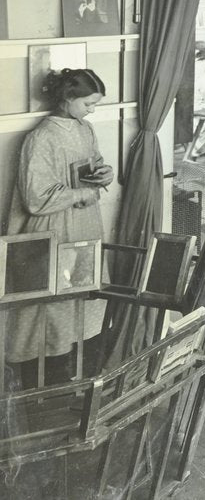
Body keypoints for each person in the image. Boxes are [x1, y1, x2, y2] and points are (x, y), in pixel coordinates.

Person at [4, 68, 114, 388]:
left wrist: (103, 174)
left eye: (95, 104)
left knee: (80, 297)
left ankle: (75, 371)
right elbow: (35, 198)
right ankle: (47, 380)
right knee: (51, 307)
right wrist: (82, 193)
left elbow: (93, 163)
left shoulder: (85, 129)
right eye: (88, 103)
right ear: (67, 99)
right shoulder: (41, 138)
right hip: (55, 228)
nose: (92, 110)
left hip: (83, 225)